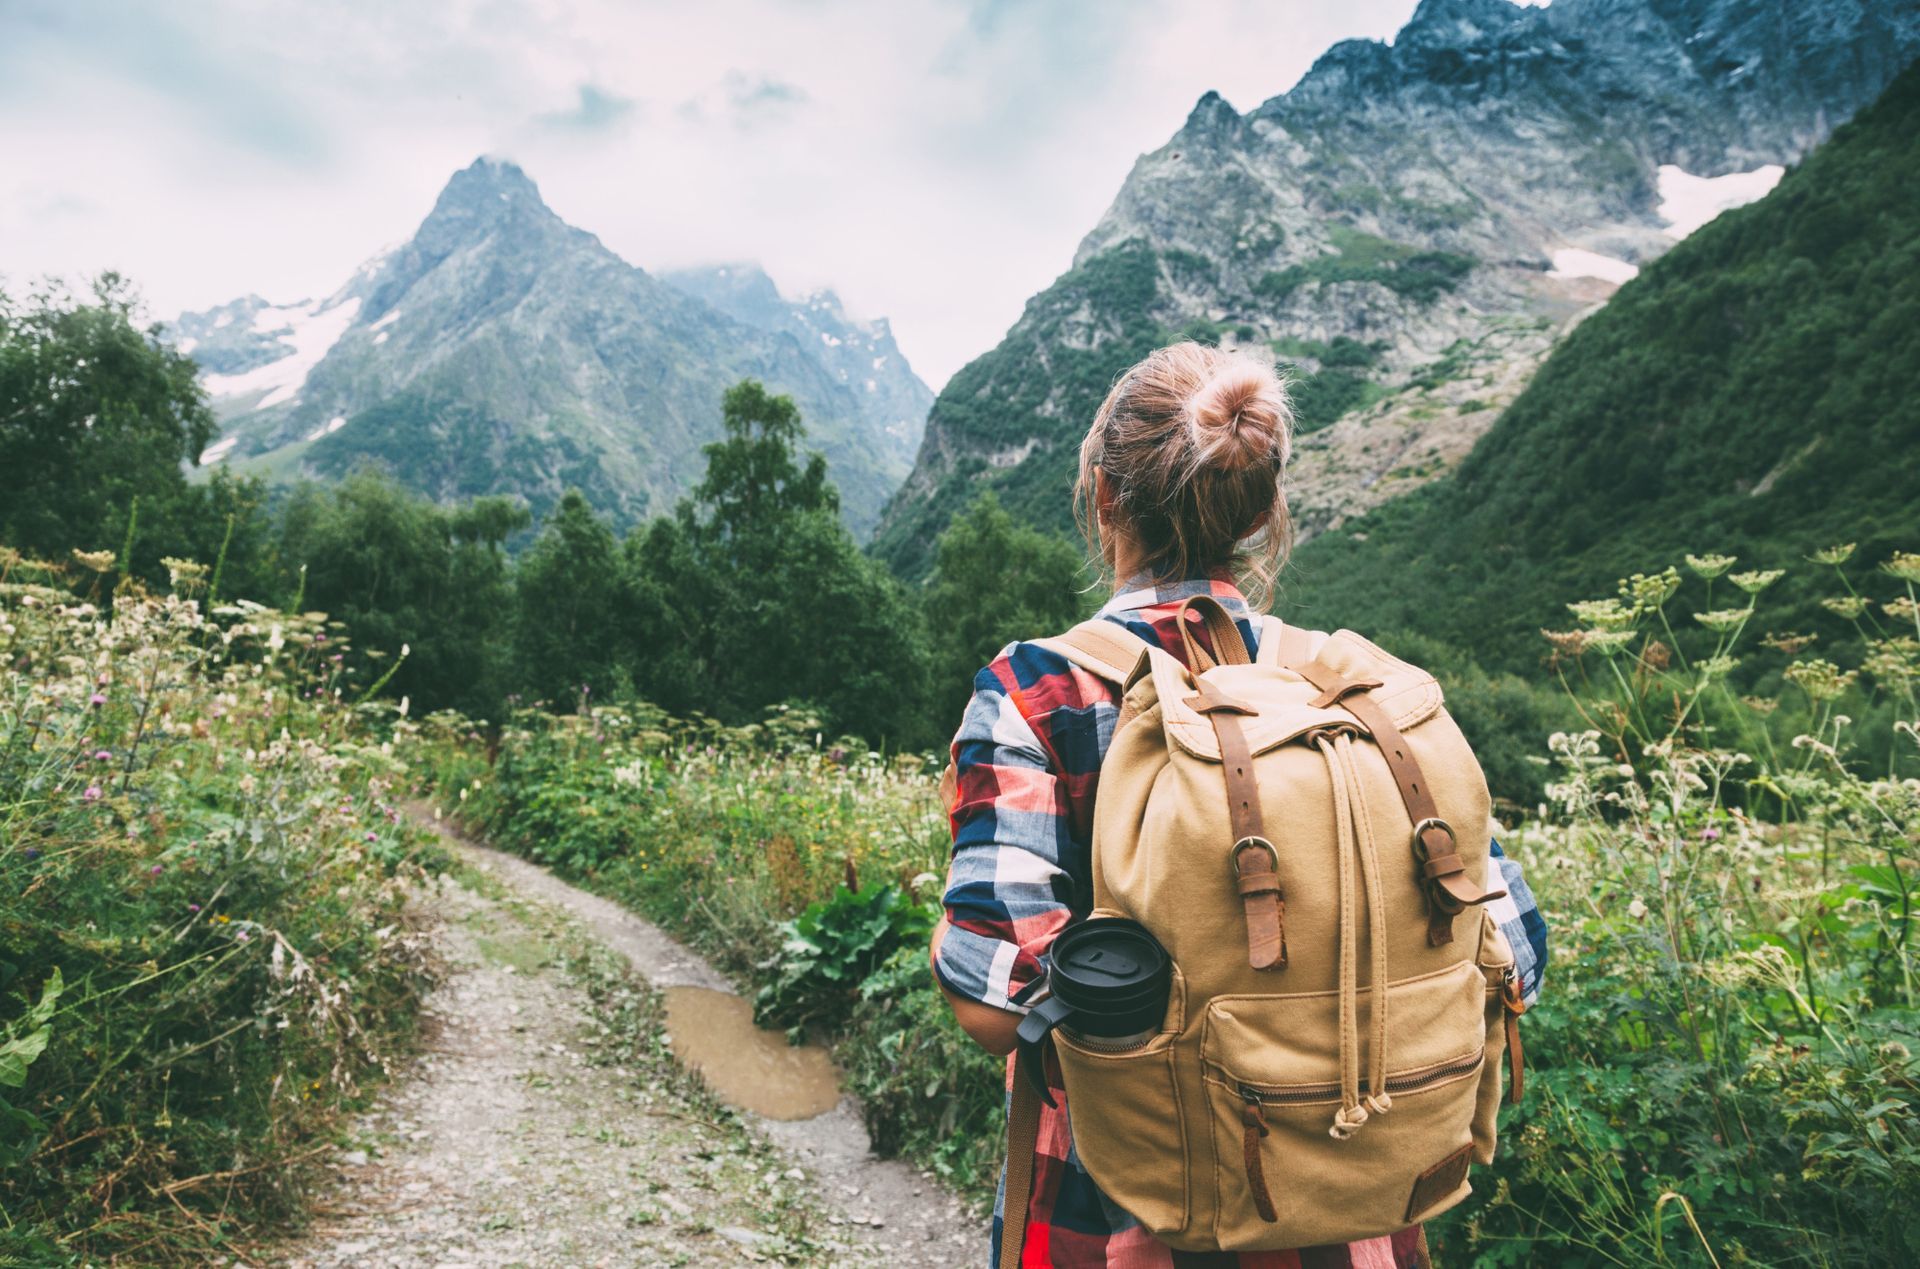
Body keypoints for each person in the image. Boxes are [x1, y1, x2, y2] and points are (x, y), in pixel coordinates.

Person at [928, 341, 1547, 1267]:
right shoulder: (1352, 694)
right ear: (1262, 512)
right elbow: (1516, 958)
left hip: (1117, 1217)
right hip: (1353, 1214)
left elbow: (989, 1000)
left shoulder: (1039, 692)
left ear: (1104, 496)